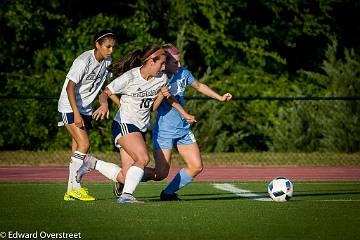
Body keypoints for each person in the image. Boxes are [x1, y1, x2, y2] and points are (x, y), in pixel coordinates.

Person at [76, 44, 195, 203]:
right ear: (151, 61)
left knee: (128, 176)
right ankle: (126, 196)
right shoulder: (130, 77)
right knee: (143, 158)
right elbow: (105, 93)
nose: (164, 67)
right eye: (162, 63)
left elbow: (152, 108)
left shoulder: (161, 78)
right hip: (124, 124)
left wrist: (162, 95)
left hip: (140, 128)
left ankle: (92, 162)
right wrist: (104, 105)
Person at [143, 43, 233, 200]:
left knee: (196, 166)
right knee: (160, 173)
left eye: (180, 61)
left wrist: (220, 97)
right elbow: (157, 106)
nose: (179, 65)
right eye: (175, 62)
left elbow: (198, 85)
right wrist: (184, 113)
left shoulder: (183, 73)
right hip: (164, 131)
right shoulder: (159, 78)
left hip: (183, 130)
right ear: (165, 63)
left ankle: (168, 193)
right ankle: (126, 177)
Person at [57, 30, 119, 201]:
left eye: (113, 47)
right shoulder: (83, 60)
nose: (111, 50)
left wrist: (105, 102)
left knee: (79, 150)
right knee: (84, 145)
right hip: (69, 107)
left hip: (85, 108)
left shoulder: (107, 62)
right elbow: (70, 88)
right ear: (97, 45)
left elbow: (103, 87)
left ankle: (71, 191)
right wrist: (76, 114)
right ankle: (75, 188)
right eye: (108, 47)